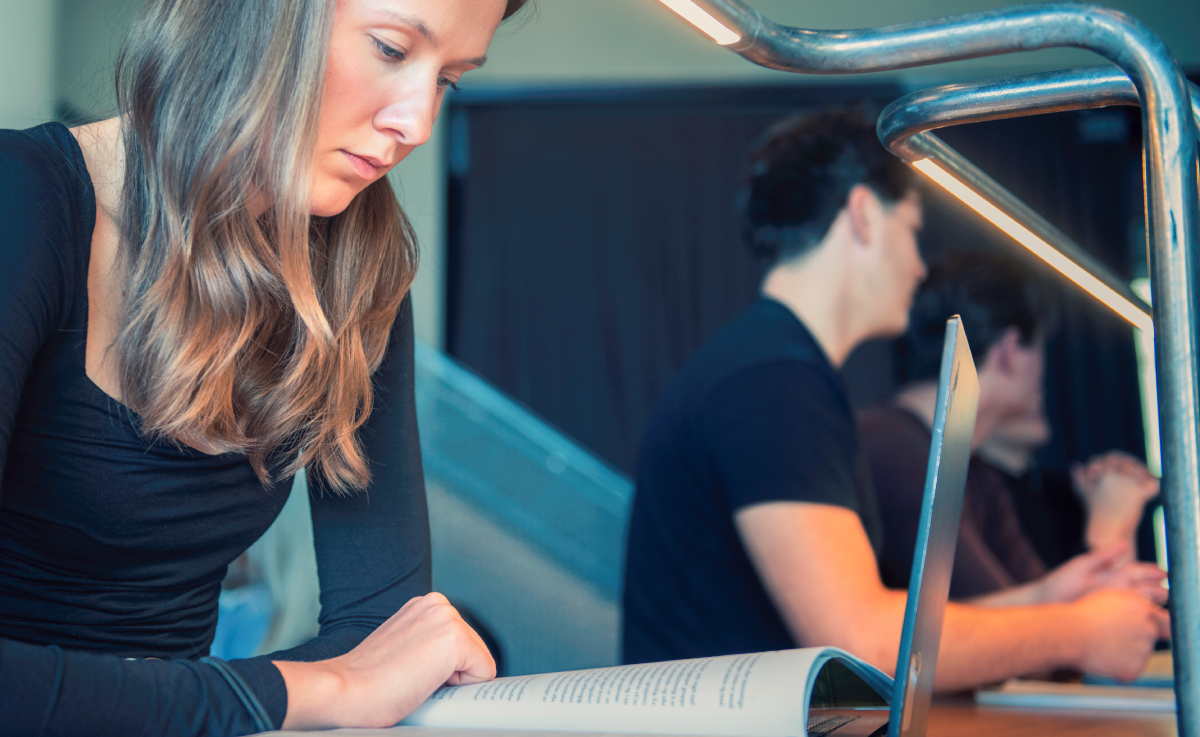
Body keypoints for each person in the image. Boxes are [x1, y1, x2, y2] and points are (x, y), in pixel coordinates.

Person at [0, 0, 528, 734]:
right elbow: (353, 679)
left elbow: (379, 634)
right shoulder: (20, 201)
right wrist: (305, 688)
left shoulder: (355, 272)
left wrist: (323, 683)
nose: (417, 124)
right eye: (390, 47)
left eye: (450, 79)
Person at [621, 108, 1169, 690]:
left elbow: (879, 628)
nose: (918, 265)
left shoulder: (775, 367)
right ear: (862, 215)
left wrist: (1043, 599)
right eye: (910, 228)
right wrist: (1075, 631)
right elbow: (864, 643)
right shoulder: (772, 382)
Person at [861, 253, 1166, 606]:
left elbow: (1039, 617)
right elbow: (1010, 634)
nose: (1042, 373)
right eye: (1036, 347)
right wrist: (1109, 532)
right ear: (1009, 351)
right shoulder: (897, 452)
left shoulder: (974, 472)